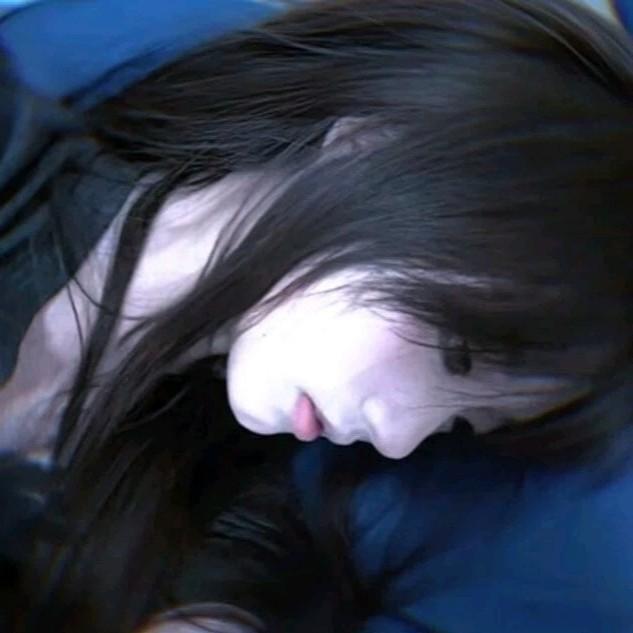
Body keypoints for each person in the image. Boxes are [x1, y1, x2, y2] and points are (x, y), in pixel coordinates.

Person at [0, 0, 632, 631]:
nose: (399, 439)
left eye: (461, 422)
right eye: (456, 351)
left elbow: (243, 561)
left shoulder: (218, 488)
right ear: (366, 148)